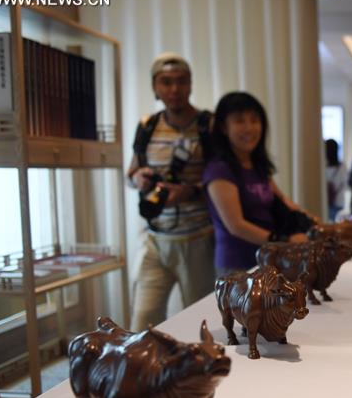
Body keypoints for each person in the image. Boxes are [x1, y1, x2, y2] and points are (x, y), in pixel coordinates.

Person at [126, 52, 215, 331]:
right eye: (165, 82)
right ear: (155, 87)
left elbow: (225, 181)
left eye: (181, 81)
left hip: (198, 239)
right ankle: (145, 373)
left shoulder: (208, 126)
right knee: (143, 321)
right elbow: (131, 173)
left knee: (202, 324)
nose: (174, 89)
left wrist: (190, 192)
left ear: (191, 85)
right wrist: (138, 178)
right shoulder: (147, 126)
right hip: (154, 239)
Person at [203, 92, 311, 275]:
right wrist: (284, 240)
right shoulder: (219, 170)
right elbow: (236, 225)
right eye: (239, 121)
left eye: (254, 120)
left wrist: (314, 223)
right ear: (223, 127)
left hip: (268, 260)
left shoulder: (258, 166)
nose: (249, 128)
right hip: (237, 266)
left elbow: (284, 202)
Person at [325, 139, 347, 220]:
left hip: (326, 202)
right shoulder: (342, 166)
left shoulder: (323, 168)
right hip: (339, 201)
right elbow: (346, 183)